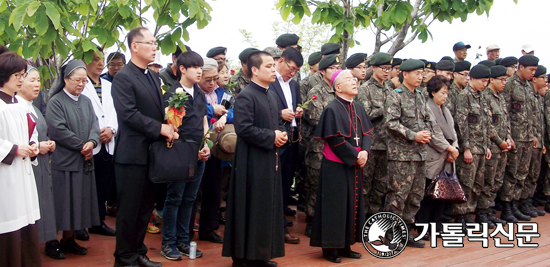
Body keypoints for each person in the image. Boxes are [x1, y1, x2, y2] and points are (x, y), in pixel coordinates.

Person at [111, 26, 175, 267]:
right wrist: (159, 128)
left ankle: (137, 252)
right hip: (132, 155)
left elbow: (159, 110)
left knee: (145, 208)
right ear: (134, 46)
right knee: (129, 210)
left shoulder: (153, 76)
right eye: (149, 43)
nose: (154, 47)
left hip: (152, 153)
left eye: (155, 43)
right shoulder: (124, 77)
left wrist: (171, 122)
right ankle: (124, 257)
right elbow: (128, 114)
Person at [222, 51, 288, 267]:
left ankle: (260, 254)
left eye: (273, 66)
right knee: (249, 207)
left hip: (269, 158)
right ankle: (243, 257)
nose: (273, 70)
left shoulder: (271, 94)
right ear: (255, 70)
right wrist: (272, 136)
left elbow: (277, 122)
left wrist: (281, 135)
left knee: (266, 206)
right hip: (251, 162)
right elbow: (244, 129)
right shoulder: (246, 96)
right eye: (268, 66)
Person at [309, 69, 373, 263]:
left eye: (355, 79)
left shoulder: (359, 107)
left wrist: (365, 152)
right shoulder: (331, 108)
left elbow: (367, 133)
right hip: (336, 165)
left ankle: (346, 245)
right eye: (349, 80)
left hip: (354, 164)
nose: (354, 82)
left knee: (351, 206)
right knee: (335, 207)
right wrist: (355, 155)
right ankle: (330, 248)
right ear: (338, 87)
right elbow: (335, 139)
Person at [46, 60, 101, 256]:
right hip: (64, 162)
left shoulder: (86, 101)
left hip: (83, 161)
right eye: (77, 80)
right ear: (66, 79)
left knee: (77, 203)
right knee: (61, 203)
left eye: (84, 81)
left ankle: (68, 239)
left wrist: (93, 142)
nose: (81, 84)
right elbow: (58, 129)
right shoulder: (56, 102)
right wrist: (82, 146)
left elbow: (95, 125)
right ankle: (51, 242)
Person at [160, 51, 210, 261]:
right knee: (175, 198)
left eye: (201, 67)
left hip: (199, 152)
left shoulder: (198, 92)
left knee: (190, 198)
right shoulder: (173, 93)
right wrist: (190, 149)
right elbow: (171, 126)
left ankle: (183, 239)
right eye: (195, 67)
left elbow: (204, 119)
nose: (199, 71)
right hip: (180, 153)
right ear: (182, 69)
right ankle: (168, 242)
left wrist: (206, 143)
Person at [384, 59, 432, 248]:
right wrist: (414, 135)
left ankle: (405, 232)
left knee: (415, 196)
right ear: (405, 74)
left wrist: (426, 132)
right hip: (401, 156)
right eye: (417, 74)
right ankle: (390, 235)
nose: (421, 77)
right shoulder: (395, 96)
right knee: (397, 196)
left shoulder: (420, 95)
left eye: (422, 74)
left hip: (420, 154)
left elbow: (428, 119)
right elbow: (391, 123)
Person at [0, 52, 41, 267]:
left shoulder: (21, 104)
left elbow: (30, 134)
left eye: (23, 74)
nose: (21, 79)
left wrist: (33, 147)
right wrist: (14, 149)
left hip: (23, 174)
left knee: (26, 221)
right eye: (17, 74)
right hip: (6, 176)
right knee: (10, 221)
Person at [17, 66, 61, 259]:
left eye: (38, 81)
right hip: (26, 166)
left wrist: (47, 143)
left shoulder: (33, 107)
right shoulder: (16, 108)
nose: (37, 85)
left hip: (40, 163)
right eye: (31, 80)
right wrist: (38, 147)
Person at [78, 48, 118, 239]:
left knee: (103, 184)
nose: (100, 63)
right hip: (88, 143)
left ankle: (97, 221)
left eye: (102, 59)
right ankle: (79, 224)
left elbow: (115, 112)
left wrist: (112, 129)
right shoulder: (79, 85)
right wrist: (95, 134)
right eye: (95, 60)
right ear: (84, 61)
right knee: (84, 186)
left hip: (107, 142)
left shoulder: (109, 86)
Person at [416, 75, 459, 237]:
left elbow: (453, 132)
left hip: (448, 155)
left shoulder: (446, 110)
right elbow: (433, 133)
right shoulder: (427, 108)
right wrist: (449, 148)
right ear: (433, 92)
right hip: (434, 155)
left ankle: (436, 226)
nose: (445, 96)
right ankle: (423, 227)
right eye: (442, 92)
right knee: (428, 194)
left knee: (442, 193)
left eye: (447, 93)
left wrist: (454, 148)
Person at [303, 54, 340, 237]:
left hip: (339, 147)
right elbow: (317, 118)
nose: (335, 71)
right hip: (319, 146)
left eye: (337, 68)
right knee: (316, 184)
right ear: (322, 71)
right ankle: (311, 220)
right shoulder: (316, 91)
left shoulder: (341, 91)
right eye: (332, 68)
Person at [270, 48, 303, 244]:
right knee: (273, 185)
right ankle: (273, 228)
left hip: (292, 138)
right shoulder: (269, 82)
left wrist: (299, 112)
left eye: (296, 70)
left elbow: (297, 106)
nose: (292, 73)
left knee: (285, 185)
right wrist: (279, 114)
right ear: (280, 61)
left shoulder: (294, 85)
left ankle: (281, 225)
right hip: (275, 139)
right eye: (291, 68)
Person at [452, 64, 493, 229]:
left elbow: (486, 124)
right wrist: (466, 148)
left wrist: (487, 146)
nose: (484, 84)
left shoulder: (482, 97)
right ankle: (461, 215)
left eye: (486, 81)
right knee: (466, 183)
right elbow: (462, 125)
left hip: (482, 148)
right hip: (470, 149)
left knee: (478, 184)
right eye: (482, 80)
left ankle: (470, 212)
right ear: (473, 79)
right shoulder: (464, 96)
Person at [197, 58, 233, 244]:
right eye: (207, 80)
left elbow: (233, 110)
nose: (212, 83)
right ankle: (185, 232)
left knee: (214, 190)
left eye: (214, 79)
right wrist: (212, 110)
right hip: (197, 149)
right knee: (194, 193)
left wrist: (225, 117)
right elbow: (193, 111)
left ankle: (209, 229)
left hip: (217, 151)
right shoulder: (194, 93)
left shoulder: (223, 93)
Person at [500, 55, 539, 222]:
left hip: (528, 137)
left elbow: (533, 114)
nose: (533, 73)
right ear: (520, 67)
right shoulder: (509, 85)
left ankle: (518, 203)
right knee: (512, 173)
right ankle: (507, 207)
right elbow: (505, 113)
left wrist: (535, 135)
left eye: (535, 71)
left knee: (523, 173)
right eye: (531, 70)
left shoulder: (529, 86)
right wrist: (508, 136)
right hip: (515, 137)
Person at [356, 52, 393, 217]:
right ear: (374, 68)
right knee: (365, 185)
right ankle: (360, 217)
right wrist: (385, 109)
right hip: (371, 144)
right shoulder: (365, 89)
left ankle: (374, 216)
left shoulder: (390, 88)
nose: (386, 72)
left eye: (389, 68)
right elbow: (365, 114)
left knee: (381, 185)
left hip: (387, 144)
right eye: (383, 68)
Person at [481, 65, 512, 224]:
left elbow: (505, 121)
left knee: (497, 181)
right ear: (491, 79)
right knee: (488, 181)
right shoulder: (485, 96)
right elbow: (488, 124)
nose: (504, 82)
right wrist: (500, 142)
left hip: (503, 147)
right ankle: (482, 212)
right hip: (493, 146)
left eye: (506, 80)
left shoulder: (500, 97)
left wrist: (508, 138)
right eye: (501, 79)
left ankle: (490, 210)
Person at [523, 65, 547, 217]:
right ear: (534, 79)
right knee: (523, 174)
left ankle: (528, 202)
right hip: (527, 139)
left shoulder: (538, 96)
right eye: (542, 77)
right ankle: (518, 204)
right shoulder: (529, 95)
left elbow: (540, 122)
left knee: (534, 174)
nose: (545, 80)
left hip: (538, 141)